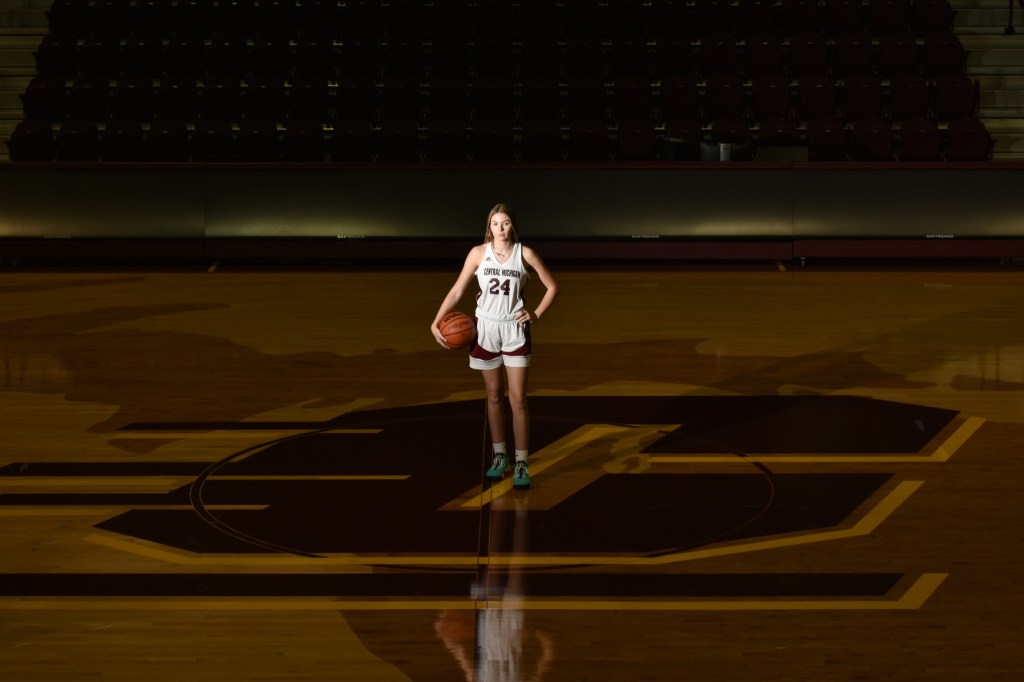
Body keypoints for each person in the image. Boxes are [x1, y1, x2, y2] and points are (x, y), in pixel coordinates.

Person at [431, 204, 558, 490]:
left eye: (505, 223)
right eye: (495, 223)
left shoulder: (525, 254)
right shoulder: (478, 254)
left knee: (518, 398)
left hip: (514, 328)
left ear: (513, 226)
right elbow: (457, 290)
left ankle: (522, 461)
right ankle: (500, 457)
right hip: (484, 328)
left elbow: (552, 286)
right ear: (489, 226)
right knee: (492, 395)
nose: (500, 228)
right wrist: (436, 321)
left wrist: (535, 314)